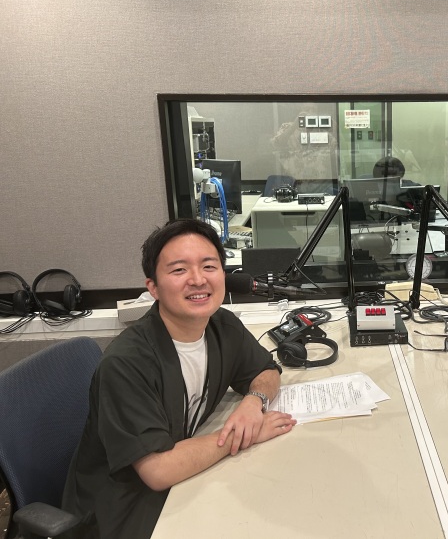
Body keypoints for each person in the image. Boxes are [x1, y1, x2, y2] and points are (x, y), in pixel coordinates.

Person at [62, 218, 296, 538]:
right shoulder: (126, 364)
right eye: (179, 270)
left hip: (186, 483)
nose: (198, 280)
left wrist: (253, 403)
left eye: (209, 266)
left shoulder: (221, 325)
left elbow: (266, 371)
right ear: (153, 287)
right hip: (126, 511)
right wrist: (244, 435)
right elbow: (158, 470)